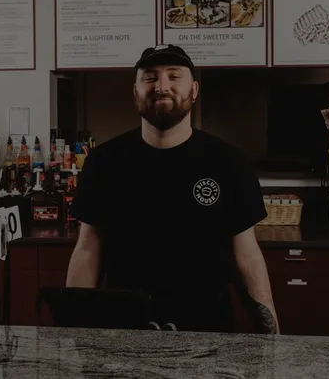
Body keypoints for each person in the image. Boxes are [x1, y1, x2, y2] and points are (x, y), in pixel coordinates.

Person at [65, 44, 279, 334]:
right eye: (150, 77)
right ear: (136, 91)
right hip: (125, 335)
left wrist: (272, 339)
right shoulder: (104, 162)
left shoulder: (229, 162)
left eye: (174, 76)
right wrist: (72, 331)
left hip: (208, 337)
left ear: (194, 90)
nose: (161, 86)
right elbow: (88, 249)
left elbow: (247, 256)